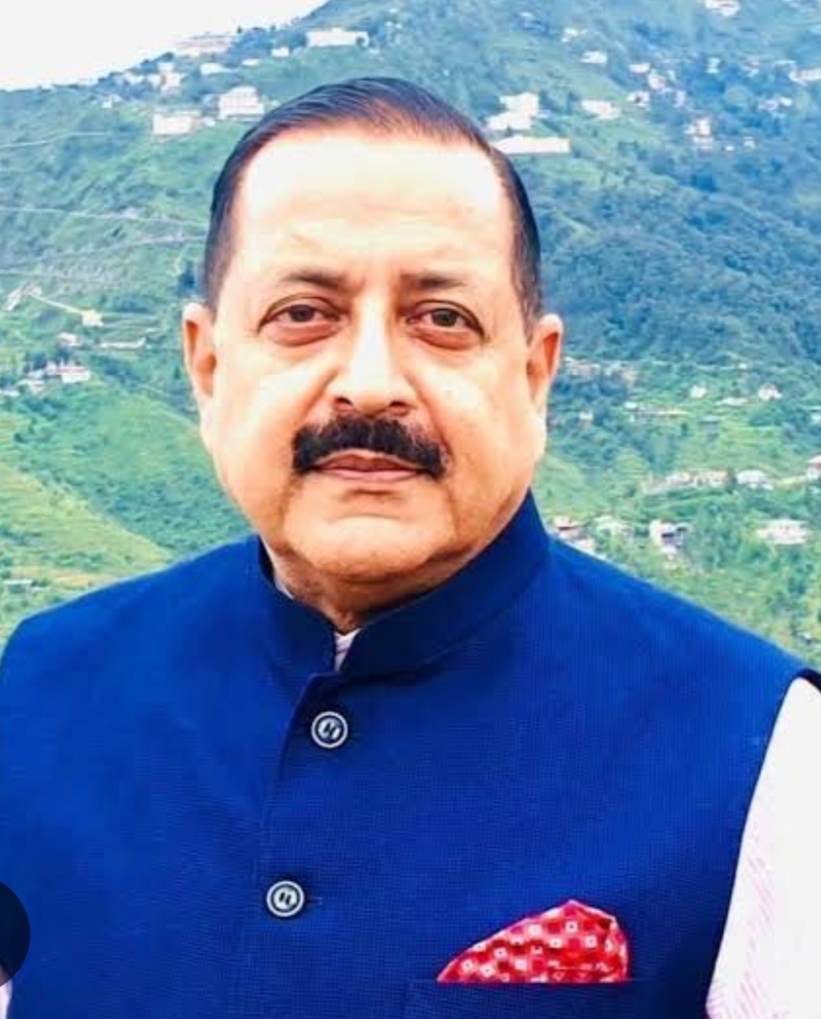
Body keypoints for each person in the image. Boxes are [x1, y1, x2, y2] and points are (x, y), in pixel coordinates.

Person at [0, 75, 818, 1019]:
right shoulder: (37, 697)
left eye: (441, 319)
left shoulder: (759, 754)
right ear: (209, 366)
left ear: (534, 375)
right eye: (303, 313)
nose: (370, 382)